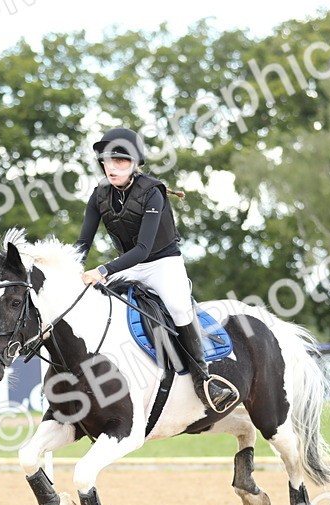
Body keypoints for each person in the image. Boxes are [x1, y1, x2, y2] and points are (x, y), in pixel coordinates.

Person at [74, 127, 239, 414]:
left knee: (177, 306)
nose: (112, 167)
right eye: (107, 161)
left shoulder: (153, 193)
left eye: (121, 161)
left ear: (135, 164)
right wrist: (71, 270)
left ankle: (204, 380)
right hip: (128, 265)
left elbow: (143, 249)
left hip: (162, 263)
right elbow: (82, 243)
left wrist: (102, 270)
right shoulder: (99, 194)